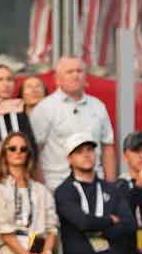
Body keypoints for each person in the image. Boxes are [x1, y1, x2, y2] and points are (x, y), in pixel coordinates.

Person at [28, 56, 116, 188]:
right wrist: (43, 190)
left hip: (95, 185)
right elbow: (35, 151)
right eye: (69, 72)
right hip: (56, 186)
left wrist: (111, 188)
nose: (76, 76)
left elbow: (107, 147)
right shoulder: (44, 108)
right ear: (57, 79)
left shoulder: (98, 106)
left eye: (79, 71)